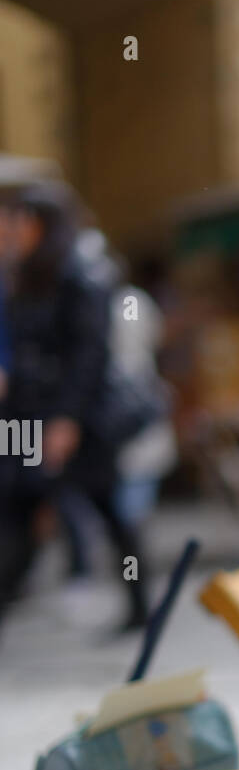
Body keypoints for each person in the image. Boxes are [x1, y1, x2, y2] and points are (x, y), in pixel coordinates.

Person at [0, 183, 150, 629]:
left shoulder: (81, 274)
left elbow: (90, 354)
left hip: (74, 421)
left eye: (17, 219)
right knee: (17, 509)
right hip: (27, 418)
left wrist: (66, 419)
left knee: (105, 507)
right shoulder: (24, 274)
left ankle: (140, 604)